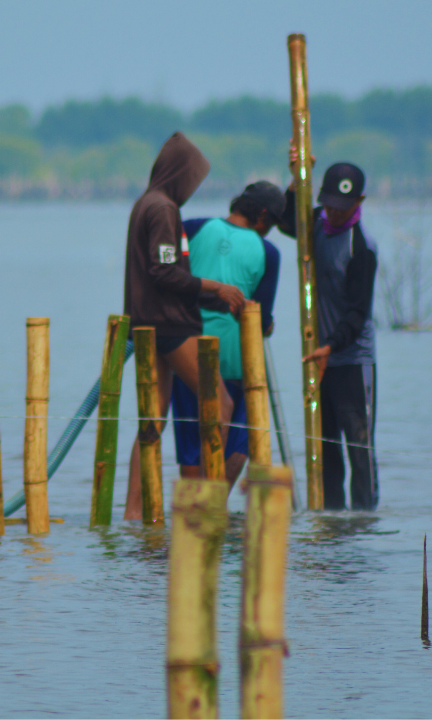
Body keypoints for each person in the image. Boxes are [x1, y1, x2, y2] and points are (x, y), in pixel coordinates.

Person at [122, 132, 246, 520]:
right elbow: (162, 272)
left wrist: (217, 299)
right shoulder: (163, 208)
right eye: (192, 179)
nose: (193, 189)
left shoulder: (147, 203)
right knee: (221, 403)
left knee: (154, 419)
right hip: (170, 327)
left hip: (150, 322)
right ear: (178, 175)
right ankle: (204, 508)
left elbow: (173, 275)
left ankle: (132, 515)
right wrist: (217, 286)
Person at [277, 152, 379, 511]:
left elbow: (357, 313)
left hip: (352, 361)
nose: (333, 213)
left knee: (360, 451)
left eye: (342, 207)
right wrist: (296, 176)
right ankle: (332, 526)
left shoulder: (361, 248)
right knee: (327, 452)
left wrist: (331, 347)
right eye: (329, 205)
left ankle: (364, 523)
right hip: (319, 360)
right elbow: (287, 222)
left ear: (359, 202)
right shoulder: (318, 223)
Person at [169, 180, 284, 486]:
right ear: (261, 216)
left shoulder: (191, 228)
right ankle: (214, 508)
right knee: (239, 439)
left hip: (185, 354)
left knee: (191, 445)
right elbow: (259, 317)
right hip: (236, 360)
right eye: (271, 222)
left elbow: (170, 277)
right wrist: (268, 324)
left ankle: (192, 519)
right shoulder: (268, 252)